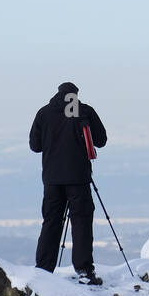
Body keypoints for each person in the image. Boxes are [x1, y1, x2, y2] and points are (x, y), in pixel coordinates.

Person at [29, 81, 108, 283]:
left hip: (52, 180)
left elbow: (35, 145)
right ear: (75, 95)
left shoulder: (44, 113)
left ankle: (44, 269)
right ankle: (84, 270)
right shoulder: (84, 112)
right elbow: (101, 140)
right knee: (81, 222)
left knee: (51, 222)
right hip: (78, 178)